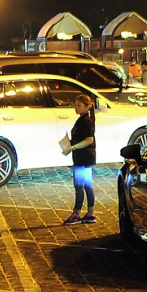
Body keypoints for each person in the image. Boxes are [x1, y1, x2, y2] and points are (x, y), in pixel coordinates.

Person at [63, 94, 98, 225]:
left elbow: (89, 140)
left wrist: (72, 147)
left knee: (79, 186)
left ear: (87, 107)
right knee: (87, 185)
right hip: (85, 157)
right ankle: (90, 213)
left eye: (79, 105)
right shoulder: (83, 120)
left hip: (83, 158)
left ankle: (76, 214)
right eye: (75, 105)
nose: (76, 107)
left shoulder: (85, 121)